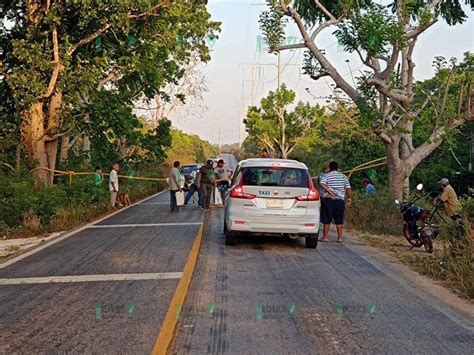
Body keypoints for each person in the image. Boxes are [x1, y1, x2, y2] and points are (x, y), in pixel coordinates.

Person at [320, 161, 352, 242]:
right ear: (337, 168)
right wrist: (349, 198)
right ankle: (340, 238)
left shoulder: (327, 175)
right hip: (340, 201)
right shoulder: (343, 176)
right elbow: (348, 188)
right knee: (339, 219)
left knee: (327, 219)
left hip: (329, 200)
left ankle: (325, 237)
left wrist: (329, 191)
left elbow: (322, 183)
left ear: (330, 168)